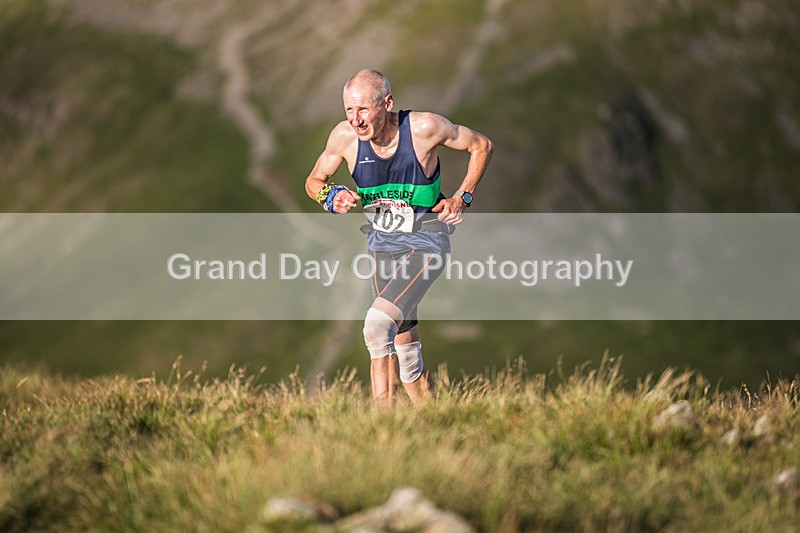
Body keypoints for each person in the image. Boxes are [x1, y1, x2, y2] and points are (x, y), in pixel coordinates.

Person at [304, 69, 493, 406]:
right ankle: (433, 417)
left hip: (427, 241)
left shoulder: (423, 129)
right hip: (382, 246)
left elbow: (481, 146)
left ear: (387, 103)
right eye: (349, 110)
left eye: (364, 109)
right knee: (404, 350)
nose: (356, 120)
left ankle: (383, 428)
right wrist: (329, 196)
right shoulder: (344, 137)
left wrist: (461, 197)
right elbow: (315, 180)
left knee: (376, 327)